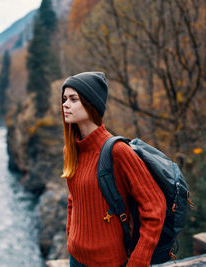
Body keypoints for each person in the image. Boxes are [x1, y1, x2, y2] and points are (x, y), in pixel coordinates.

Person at [61, 71, 167, 267]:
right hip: (75, 258)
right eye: (65, 99)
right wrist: (71, 236)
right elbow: (73, 198)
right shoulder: (71, 149)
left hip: (108, 262)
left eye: (73, 99)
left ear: (91, 104)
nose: (65, 104)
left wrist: (139, 259)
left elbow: (155, 206)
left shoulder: (118, 151)